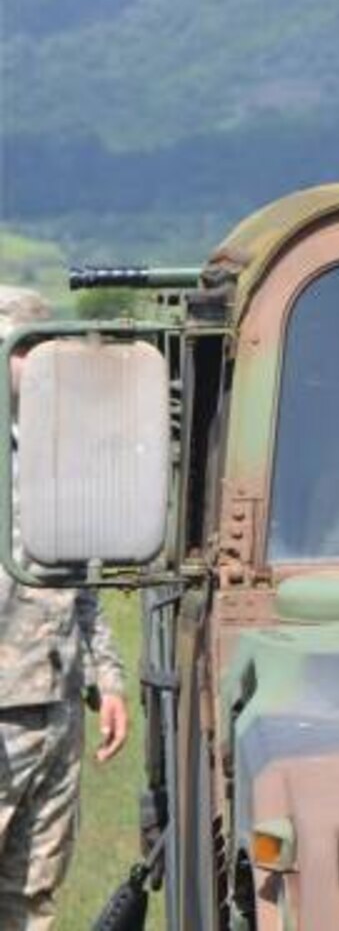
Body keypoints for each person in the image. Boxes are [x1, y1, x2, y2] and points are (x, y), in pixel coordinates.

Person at [0, 286, 129, 931]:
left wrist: (107, 679)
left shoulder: (54, 456)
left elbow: (78, 577)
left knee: (35, 892)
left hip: (54, 701)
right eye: (24, 349)